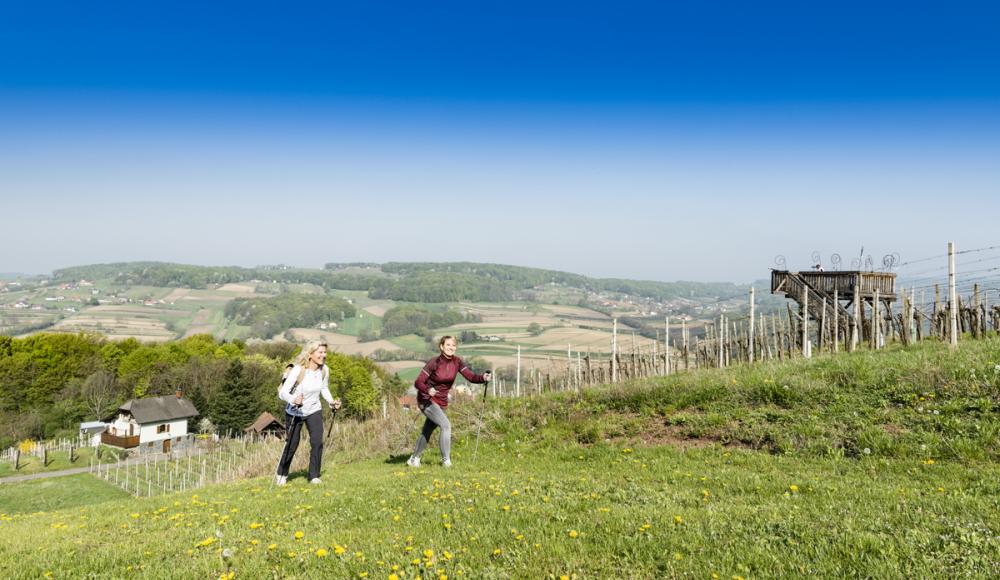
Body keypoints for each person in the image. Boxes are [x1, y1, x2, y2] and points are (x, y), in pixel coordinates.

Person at [407, 336, 491, 468]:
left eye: (453, 345)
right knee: (446, 425)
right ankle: (446, 461)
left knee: (427, 430)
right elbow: (418, 382)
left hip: (442, 402)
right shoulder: (433, 362)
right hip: (426, 399)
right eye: (448, 345)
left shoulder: (457, 362)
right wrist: (428, 389)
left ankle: (413, 458)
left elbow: (470, 376)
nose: (451, 347)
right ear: (441, 346)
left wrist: (482, 378)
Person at [276, 341, 341, 485]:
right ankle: (282, 473)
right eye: (320, 352)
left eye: (325, 352)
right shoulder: (299, 370)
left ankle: (314, 476)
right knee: (292, 444)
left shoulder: (324, 370)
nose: (323, 355)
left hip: (314, 410)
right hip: (295, 411)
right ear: (310, 354)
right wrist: (294, 399)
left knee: (317, 442)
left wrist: (331, 402)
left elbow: (324, 388)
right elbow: (283, 393)